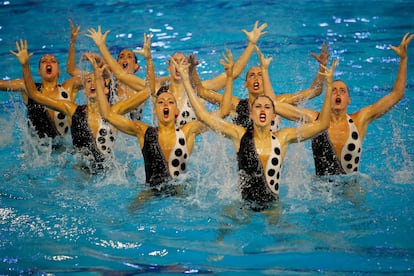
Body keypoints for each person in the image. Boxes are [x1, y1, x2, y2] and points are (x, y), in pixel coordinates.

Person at [174, 55, 337, 211]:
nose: (262, 111)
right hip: (243, 200)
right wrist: (187, 76)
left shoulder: (282, 130)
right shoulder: (238, 124)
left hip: (272, 201)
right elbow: (202, 110)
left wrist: (329, 83)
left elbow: (321, 121)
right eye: (251, 75)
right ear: (252, 113)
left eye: (267, 108)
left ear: (275, 114)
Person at [85, 21, 268, 127]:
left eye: (182, 62)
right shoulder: (158, 89)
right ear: (168, 67)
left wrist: (251, 44)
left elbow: (233, 74)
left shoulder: (199, 90)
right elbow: (122, 76)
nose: (179, 65)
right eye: (175, 62)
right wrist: (102, 46)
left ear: (188, 67)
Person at [11, 40, 152, 172]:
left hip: (109, 174)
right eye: (88, 81)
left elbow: (148, 90)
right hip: (79, 175)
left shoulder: (113, 112)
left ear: (106, 89)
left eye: (96, 81)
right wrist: (25, 66)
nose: (92, 83)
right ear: (84, 90)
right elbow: (35, 95)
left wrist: (148, 60)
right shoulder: (72, 110)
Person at [311, 33, 413, 176]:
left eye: (342, 91)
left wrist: (403, 59)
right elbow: (281, 107)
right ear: (327, 96)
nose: (338, 94)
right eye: (333, 90)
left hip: (351, 186)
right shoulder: (313, 119)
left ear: (348, 100)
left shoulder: (360, 120)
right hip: (321, 189)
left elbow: (397, 94)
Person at [194, 43, 330, 131]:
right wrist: (191, 72)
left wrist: (322, 66)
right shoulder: (236, 105)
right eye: (251, 75)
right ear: (246, 84)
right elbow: (201, 92)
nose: (256, 78)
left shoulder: (278, 103)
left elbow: (315, 91)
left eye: (260, 75)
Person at [1, 20, 84, 140]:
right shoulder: (27, 88)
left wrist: (73, 42)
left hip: (63, 149)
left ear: (59, 71)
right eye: (44, 61)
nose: (49, 62)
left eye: (53, 61)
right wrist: (25, 65)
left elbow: (93, 79)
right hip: (38, 151)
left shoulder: (68, 88)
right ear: (39, 71)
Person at [67, 19, 154, 121]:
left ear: (136, 67)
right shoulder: (107, 81)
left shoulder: (142, 86)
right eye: (121, 57)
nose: (124, 59)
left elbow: (121, 75)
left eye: (129, 56)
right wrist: (73, 42)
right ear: (116, 64)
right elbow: (71, 70)